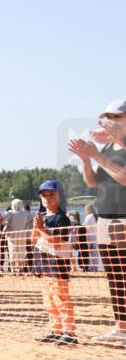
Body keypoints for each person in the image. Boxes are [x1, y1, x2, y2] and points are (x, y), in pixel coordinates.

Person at [69, 99, 126, 345]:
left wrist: (95, 155)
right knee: (114, 278)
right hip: (105, 220)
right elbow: (93, 182)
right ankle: (121, 328)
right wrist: (85, 159)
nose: (109, 121)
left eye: (115, 117)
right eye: (107, 117)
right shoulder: (108, 150)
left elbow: (124, 178)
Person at [31, 181, 76, 346]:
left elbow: (57, 241)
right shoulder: (42, 217)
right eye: (44, 195)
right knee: (48, 299)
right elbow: (33, 239)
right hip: (43, 261)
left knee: (61, 297)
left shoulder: (62, 218)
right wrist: (36, 226)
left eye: (51, 195)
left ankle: (69, 331)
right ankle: (55, 330)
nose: (47, 198)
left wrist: (42, 228)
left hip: (57, 261)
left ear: (59, 196)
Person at [2, 199, 33, 274]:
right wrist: (26, 227)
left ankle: (13, 269)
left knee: (12, 250)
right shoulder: (26, 213)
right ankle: (20, 269)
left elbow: (2, 221)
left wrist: (7, 224)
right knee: (21, 251)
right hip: (23, 234)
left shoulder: (11, 213)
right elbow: (31, 221)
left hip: (12, 234)